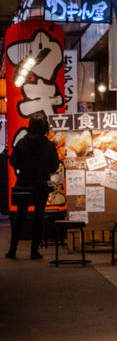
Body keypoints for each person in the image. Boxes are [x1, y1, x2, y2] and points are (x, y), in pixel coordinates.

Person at [6, 111, 60, 260]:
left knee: (20, 217)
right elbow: (54, 165)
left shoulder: (22, 143)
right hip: (41, 185)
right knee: (38, 218)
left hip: (23, 183)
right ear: (44, 128)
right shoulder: (48, 146)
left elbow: (13, 162)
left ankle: (13, 249)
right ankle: (34, 251)